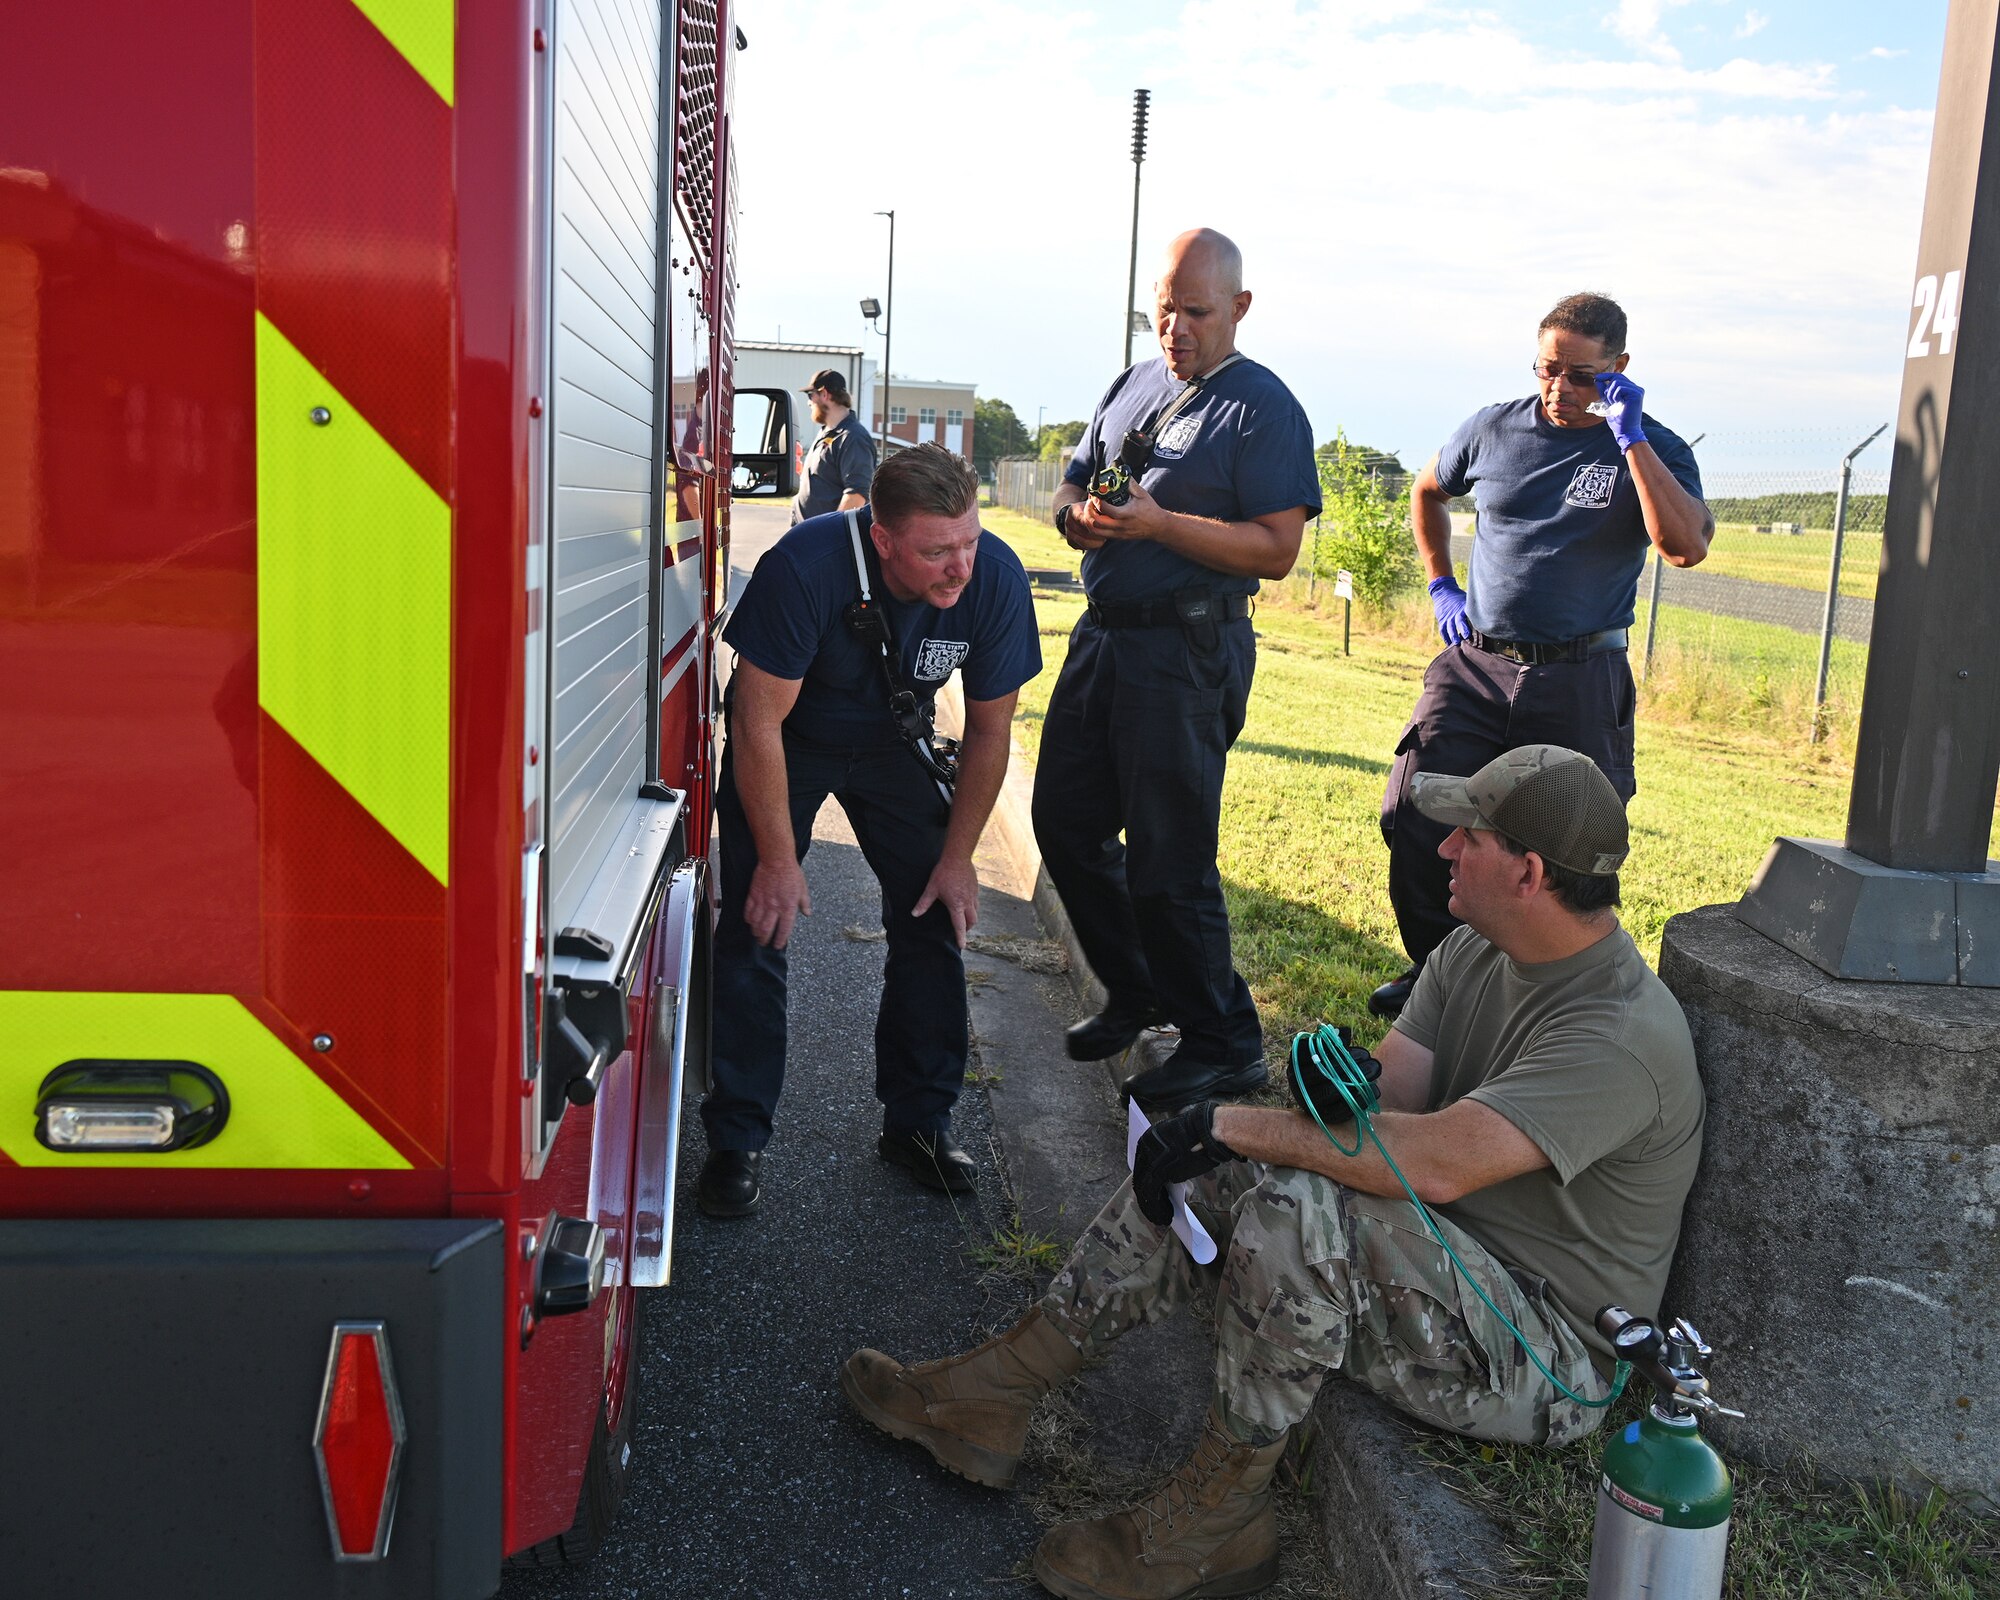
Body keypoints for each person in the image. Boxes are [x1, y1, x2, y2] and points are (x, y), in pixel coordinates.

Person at [843, 746, 1702, 1600]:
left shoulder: (1619, 1033)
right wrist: (1326, 1091)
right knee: (1242, 1163)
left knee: (1292, 1205)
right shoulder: (1478, 953)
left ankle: (1220, 1522)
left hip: (1539, 1353)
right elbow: (1389, 1095)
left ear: (1529, 873)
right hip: (1441, 1266)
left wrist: (1228, 1120)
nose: (1444, 849)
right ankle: (1000, 1390)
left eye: (1469, 836)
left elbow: (1435, 1164)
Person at [699, 444, 1041, 1216]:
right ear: (883, 540)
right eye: (935, 551)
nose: (959, 567)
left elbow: (990, 733)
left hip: (892, 743)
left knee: (934, 914)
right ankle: (736, 1138)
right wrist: (781, 863)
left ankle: (919, 1122)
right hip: (789, 741)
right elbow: (754, 722)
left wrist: (959, 860)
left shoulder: (994, 577)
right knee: (761, 924)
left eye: (969, 541)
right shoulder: (807, 564)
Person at [1033, 228, 1320, 1111]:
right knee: (1065, 821)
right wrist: (1078, 520)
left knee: (1170, 853)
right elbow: (1071, 485)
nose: (1175, 327)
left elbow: (1276, 550)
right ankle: (1138, 987)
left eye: (1195, 311)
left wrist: (1161, 527)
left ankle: (1224, 1041)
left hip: (1188, 648)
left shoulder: (1262, 407)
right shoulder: (1133, 384)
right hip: (1107, 633)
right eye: (1163, 308)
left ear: (1238, 307)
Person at [1370, 291, 1710, 1020]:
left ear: (1620, 368)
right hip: (1476, 665)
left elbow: (1685, 547)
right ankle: (1437, 976)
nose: (1559, 390)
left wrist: (1631, 440)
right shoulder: (1493, 429)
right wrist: (1441, 584)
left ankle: (1550, 1003)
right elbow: (1428, 491)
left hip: (1579, 676)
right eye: (1546, 368)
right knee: (1418, 812)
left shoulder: (1655, 446)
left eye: (1582, 376)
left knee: (1569, 854)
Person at [791, 367, 877, 525]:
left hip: (824, 543)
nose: (809, 402)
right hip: (807, 538)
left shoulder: (853, 437)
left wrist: (830, 534)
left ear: (824, 394)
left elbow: (856, 495)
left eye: (811, 395)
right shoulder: (827, 433)